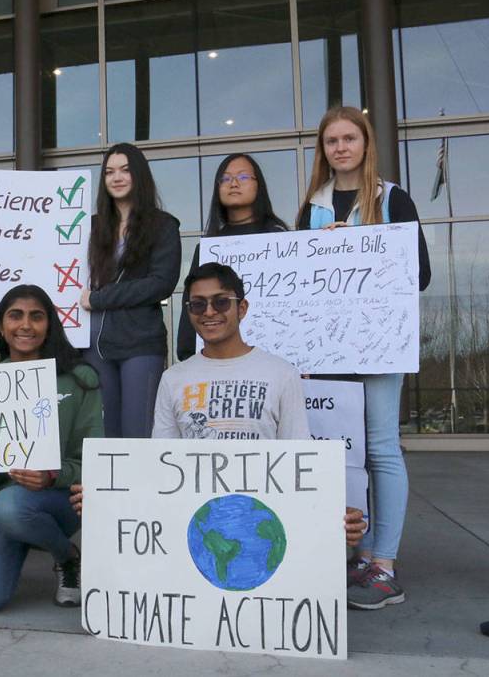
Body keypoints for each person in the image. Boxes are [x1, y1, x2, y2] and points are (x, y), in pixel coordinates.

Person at [69, 263, 368, 546]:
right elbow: (162, 464)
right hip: (196, 526)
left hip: (263, 523)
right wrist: (106, 499)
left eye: (221, 302)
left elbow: (299, 458)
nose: (209, 312)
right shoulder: (173, 379)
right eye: (197, 304)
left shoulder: (281, 373)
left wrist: (333, 514)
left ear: (242, 308)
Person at [297, 106, 431, 611]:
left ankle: (385, 564)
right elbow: (299, 280)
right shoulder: (313, 205)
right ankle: (351, 553)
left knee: (380, 448)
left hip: (379, 342)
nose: (340, 148)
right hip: (329, 344)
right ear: (323, 149)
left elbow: (418, 273)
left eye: (349, 138)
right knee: (340, 452)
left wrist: (353, 247)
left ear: (365, 142)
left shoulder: (392, 197)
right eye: (331, 141)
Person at [0, 285, 104, 614]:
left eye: (36, 316)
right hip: (7, 506)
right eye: (15, 316)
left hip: (60, 500)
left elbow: (94, 459)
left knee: (8, 502)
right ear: (1, 327)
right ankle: (64, 553)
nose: (26, 325)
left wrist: (52, 476)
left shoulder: (79, 378)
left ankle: (66, 560)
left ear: (50, 324)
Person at [80, 142, 181, 438]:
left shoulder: (163, 225)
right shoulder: (90, 227)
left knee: (137, 435)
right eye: (109, 172)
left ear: (139, 174)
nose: (117, 177)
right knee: (104, 435)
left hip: (139, 343)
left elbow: (161, 282)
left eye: (125, 170)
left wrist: (99, 299)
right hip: (93, 346)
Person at [176, 153, 288, 361]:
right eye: (226, 179)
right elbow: (192, 301)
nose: (233, 183)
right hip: (219, 360)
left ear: (258, 185)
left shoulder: (279, 238)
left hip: (275, 357)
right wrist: (186, 352)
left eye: (243, 177)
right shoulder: (209, 247)